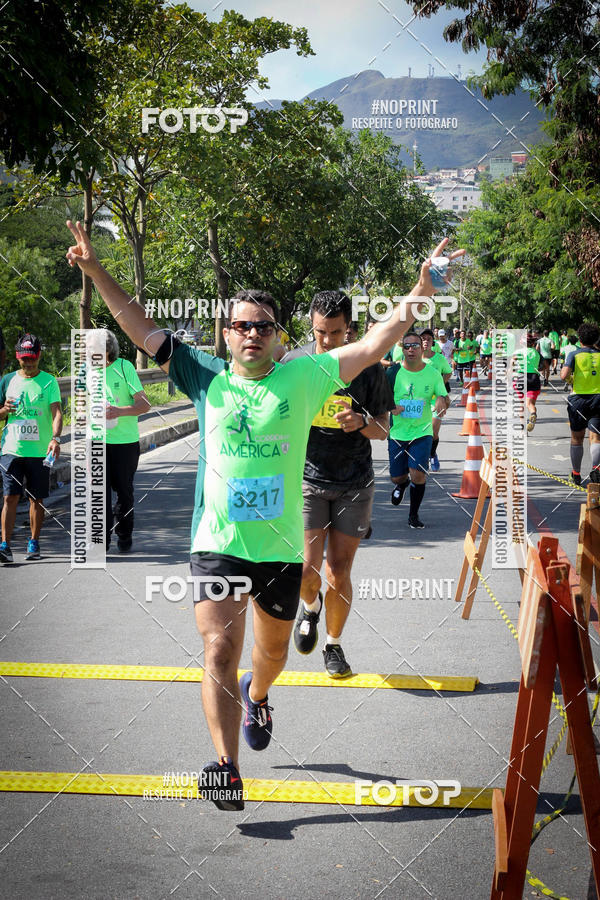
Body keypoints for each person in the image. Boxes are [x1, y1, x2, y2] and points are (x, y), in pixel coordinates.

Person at [65, 220, 464, 811]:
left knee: (270, 657)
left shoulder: (304, 376)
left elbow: (377, 340)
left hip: (279, 551)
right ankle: (226, 767)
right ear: (227, 335)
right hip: (217, 543)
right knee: (218, 651)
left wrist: (422, 289)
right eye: (242, 325)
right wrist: (96, 270)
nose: (252, 334)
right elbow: (140, 326)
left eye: (263, 326)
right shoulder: (203, 376)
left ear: (279, 337)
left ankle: (260, 695)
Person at [281, 291, 393, 678]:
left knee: (338, 571)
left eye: (335, 332)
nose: (327, 341)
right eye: (319, 332)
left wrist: (361, 423)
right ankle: (309, 607)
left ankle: (333, 645)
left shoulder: (370, 367)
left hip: (354, 484)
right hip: (308, 480)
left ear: (350, 329)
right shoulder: (295, 363)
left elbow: (384, 429)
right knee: (308, 570)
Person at [0, 334, 62, 562]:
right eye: (25, 359)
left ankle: (33, 542)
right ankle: (4, 545)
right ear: (18, 357)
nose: (29, 363)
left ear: (39, 355)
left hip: (39, 451)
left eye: (33, 358)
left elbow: (57, 412)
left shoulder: (49, 381)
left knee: (36, 498)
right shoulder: (7, 381)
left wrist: (55, 438)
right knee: (10, 497)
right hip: (11, 450)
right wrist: (5, 411)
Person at [91, 330, 151, 552]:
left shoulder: (125, 368)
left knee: (124, 494)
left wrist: (118, 411)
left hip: (125, 443)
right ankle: (101, 541)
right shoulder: (86, 373)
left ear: (109, 350)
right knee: (100, 493)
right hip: (97, 443)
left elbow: (145, 405)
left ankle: (124, 534)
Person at [387, 332, 450, 527]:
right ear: (402, 349)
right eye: (407, 346)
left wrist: (441, 399)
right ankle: (402, 483)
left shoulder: (432, 373)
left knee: (418, 474)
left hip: (422, 432)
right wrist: (391, 407)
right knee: (397, 476)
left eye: (415, 345)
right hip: (397, 432)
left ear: (423, 348)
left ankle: (413, 515)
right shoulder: (392, 372)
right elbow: (379, 400)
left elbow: (444, 398)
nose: (411, 349)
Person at [560, 322, 600, 485]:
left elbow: (563, 375)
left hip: (578, 400)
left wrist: (571, 380)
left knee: (577, 438)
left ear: (580, 339)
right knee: (596, 437)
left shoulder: (575, 354)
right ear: (596, 339)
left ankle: (576, 474)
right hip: (598, 398)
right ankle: (596, 472)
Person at [420, 328, 452, 471]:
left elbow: (448, 372)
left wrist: (441, 387)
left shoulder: (439, 358)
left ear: (433, 342)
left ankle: (432, 454)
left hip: (437, 399)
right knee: (421, 431)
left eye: (428, 339)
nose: (425, 341)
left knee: (433, 432)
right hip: (419, 400)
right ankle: (422, 457)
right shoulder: (414, 357)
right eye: (423, 339)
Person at [512, 333, 541, 432]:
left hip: (520, 377)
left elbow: (512, 362)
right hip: (534, 378)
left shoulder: (518, 351)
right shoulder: (536, 353)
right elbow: (544, 365)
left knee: (521, 404)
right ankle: (533, 414)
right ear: (533, 343)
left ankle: (522, 427)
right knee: (530, 403)